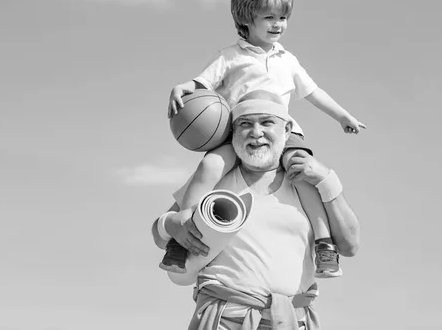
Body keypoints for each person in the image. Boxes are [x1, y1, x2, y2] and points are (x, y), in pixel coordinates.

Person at [161, 0, 365, 278]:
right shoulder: (231, 56)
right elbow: (202, 83)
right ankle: (183, 228)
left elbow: (312, 92)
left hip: (283, 132)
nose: (278, 24)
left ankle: (324, 244)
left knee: (303, 176)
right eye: (269, 17)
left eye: (283, 17)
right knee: (211, 166)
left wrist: (343, 116)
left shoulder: (288, 60)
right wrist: (182, 86)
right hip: (238, 132)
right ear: (246, 19)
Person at [153, 90, 361, 329]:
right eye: (245, 123)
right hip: (224, 321)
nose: (256, 132)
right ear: (233, 132)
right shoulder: (215, 174)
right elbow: (159, 236)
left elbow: (350, 245)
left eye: (267, 122)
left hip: (292, 321)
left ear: (286, 129)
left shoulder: (307, 181)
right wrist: (170, 225)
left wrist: (327, 178)